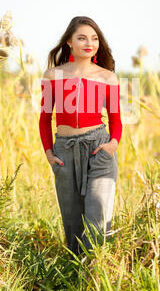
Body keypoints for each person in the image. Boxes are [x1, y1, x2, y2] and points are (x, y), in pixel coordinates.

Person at [38, 16, 122, 256]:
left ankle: (96, 274)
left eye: (94, 38)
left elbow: (116, 121)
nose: (89, 43)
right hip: (64, 151)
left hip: (99, 149)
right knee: (72, 225)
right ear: (69, 42)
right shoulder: (53, 75)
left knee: (98, 220)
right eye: (82, 38)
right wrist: (49, 153)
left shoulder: (108, 78)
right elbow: (45, 118)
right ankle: (77, 282)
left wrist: (111, 146)